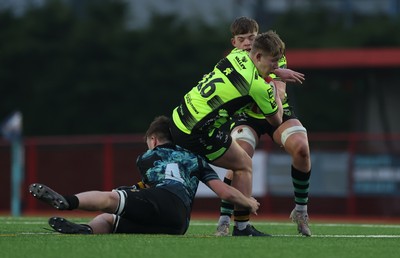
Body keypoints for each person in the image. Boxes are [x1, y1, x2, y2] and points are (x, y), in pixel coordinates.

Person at [28, 116, 260, 235]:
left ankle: (67, 201)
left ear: (153, 139)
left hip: (163, 200)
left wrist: (131, 190)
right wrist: (247, 201)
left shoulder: (147, 157)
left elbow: (151, 188)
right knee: (110, 221)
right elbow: (223, 191)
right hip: (179, 223)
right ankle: (86, 230)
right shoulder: (195, 159)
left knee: (112, 200)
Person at [170, 31, 284, 236]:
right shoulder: (258, 86)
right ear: (258, 57)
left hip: (180, 115)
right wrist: (275, 85)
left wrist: (271, 72)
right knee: (243, 164)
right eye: (274, 62)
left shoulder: (236, 55)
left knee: (237, 158)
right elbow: (276, 120)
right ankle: (241, 227)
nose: (276, 68)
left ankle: (229, 220)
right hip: (195, 132)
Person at [215, 17, 312, 237]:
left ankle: (301, 210)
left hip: (275, 110)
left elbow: (280, 92)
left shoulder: (273, 51)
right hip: (245, 115)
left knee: (301, 148)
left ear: (258, 37)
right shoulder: (233, 59)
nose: (248, 42)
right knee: (239, 156)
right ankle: (224, 219)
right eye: (242, 39)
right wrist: (275, 75)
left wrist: (275, 89)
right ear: (234, 43)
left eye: (252, 37)